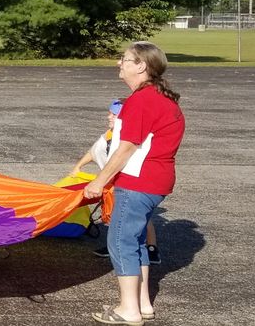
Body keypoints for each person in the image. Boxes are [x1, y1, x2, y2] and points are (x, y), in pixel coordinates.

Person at [83, 41, 184, 326]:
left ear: (141, 66)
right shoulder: (161, 98)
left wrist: (99, 182)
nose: (120, 63)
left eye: (126, 59)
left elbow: (126, 148)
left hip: (139, 182)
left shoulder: (142, 100)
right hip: (157, 183)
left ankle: (128, 310)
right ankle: (142, 304)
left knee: (120, 241)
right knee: (137, 240)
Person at [75, 100, 161, 264]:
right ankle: (117, 246)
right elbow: (94, 151)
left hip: (130, 183)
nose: (109, 116)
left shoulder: (127, 135)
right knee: (120, 214)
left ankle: (151, 248)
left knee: (139, 217)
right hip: (117, 181)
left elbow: (124, 155)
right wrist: (78, 166)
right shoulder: (109, 134)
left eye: (114, 114)